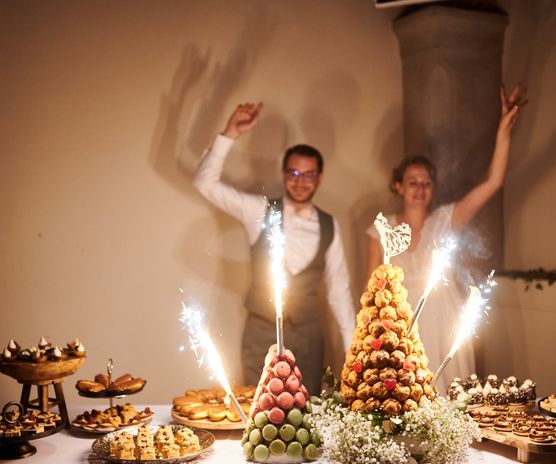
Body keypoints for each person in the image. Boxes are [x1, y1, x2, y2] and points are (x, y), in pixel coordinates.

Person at [366, 84, 528, 393]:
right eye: (412, 182)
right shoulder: (381, 228)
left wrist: (503, 131)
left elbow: (494, 182)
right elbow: (370, 289)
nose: (420, 189)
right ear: (398, 186)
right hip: (399, 322)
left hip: (443, 316)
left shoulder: (446, 218)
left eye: (427, 183)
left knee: (446, 394)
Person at [193, 102, 355, 395]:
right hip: (261, 333)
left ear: (320, 177)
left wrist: (353, 351)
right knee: (258, 412)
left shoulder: (331, 225)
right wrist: (229, 133)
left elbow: (339, 290)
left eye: (308, 174)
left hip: (309, 336)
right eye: (293, 173)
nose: (301, 182)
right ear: (283, 175)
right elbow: (205, 183)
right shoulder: (258, 210)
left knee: (309, 416)